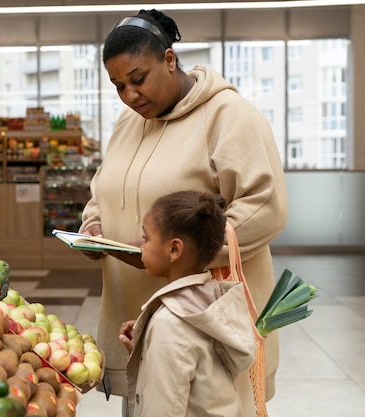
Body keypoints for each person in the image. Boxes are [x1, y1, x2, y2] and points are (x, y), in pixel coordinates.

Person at [78, 8, 288, 410]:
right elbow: (102, 189)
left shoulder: (228, 115)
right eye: (118, 85)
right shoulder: (128, 122)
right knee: (149, 401)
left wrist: (182, 254)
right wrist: (93, 227)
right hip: (137, 315)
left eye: (138, 79)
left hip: (204, 322)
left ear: (169, 59)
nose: (130, 95)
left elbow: (265, 206)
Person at [119, 190, 257, 417]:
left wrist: (159, 339)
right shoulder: (210, 302)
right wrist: (145, 350)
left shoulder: (169, 324)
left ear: (174, 249)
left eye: (146, 238)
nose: (141, 247)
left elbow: (162, 409)